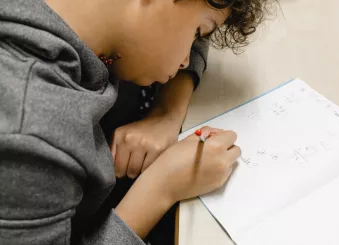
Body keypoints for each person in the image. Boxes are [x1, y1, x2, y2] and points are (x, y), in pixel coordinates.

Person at [0, 0, 270, 245]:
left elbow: (193, 13)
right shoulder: (29, 135)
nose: (186, 59)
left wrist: (167, 113)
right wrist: (162, 187)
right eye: (197, 31)